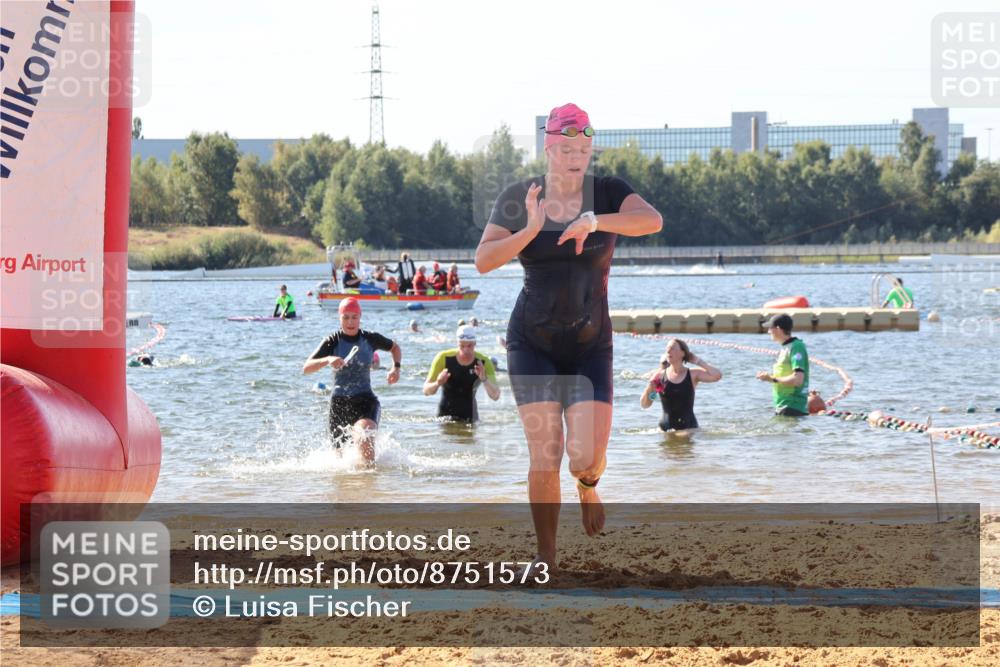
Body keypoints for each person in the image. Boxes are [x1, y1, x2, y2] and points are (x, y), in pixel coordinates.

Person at [474, 102, 663, 569]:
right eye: (566, 148)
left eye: (584, 147)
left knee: (584, 460)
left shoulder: (609, 191)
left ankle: (588, 487)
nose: (577, 156)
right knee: (546, 453)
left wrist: (596, 221)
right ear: (549, 147)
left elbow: (652, 221)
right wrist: (532, 229)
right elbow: (483, 260)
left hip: (590, 344)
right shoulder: (521, 196)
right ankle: (547, 556)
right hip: (531, 341)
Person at [302, 297, 401, 462]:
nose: (350, 322)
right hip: (339, 404)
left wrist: (396, 368)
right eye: (346, 317)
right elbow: (306, 368)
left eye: (354, 317)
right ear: (339, 317)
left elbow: (395, 348)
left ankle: (370, 484)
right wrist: (327, 359)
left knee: (364, 435)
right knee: (340, 463)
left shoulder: (370, 338)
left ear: (360, 317)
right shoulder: (332, 341)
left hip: (365, 400)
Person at [639, 339, 722, 432]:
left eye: (672, 348)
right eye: (667, 349)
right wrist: (650, 387)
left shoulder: (693, 374)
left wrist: (698, 361)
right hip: (665, 429)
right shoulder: (660, 376)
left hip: (689, 428)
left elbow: (717, 376)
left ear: (683, 353)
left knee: (682, 441)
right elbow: (645, 405)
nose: (668, 351)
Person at [423, 325, 501, 422]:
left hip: (470, 418)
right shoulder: (443, 358)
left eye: (469, 346)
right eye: (462, 346)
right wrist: (438, 383)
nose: (466, 350)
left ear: (475, 343)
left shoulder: (484, 362)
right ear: (457, 343)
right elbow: (426, 391)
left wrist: (484, 379)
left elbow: (496, 396)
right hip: (444, 418)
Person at [756, 314, 810, 417]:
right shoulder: (785, 347)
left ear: (778, 329)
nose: (768, 332)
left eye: (770, 328)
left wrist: (771, 379)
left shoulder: (796, 347)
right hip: (783, 406)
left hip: (792, 407)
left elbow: (798, 380)